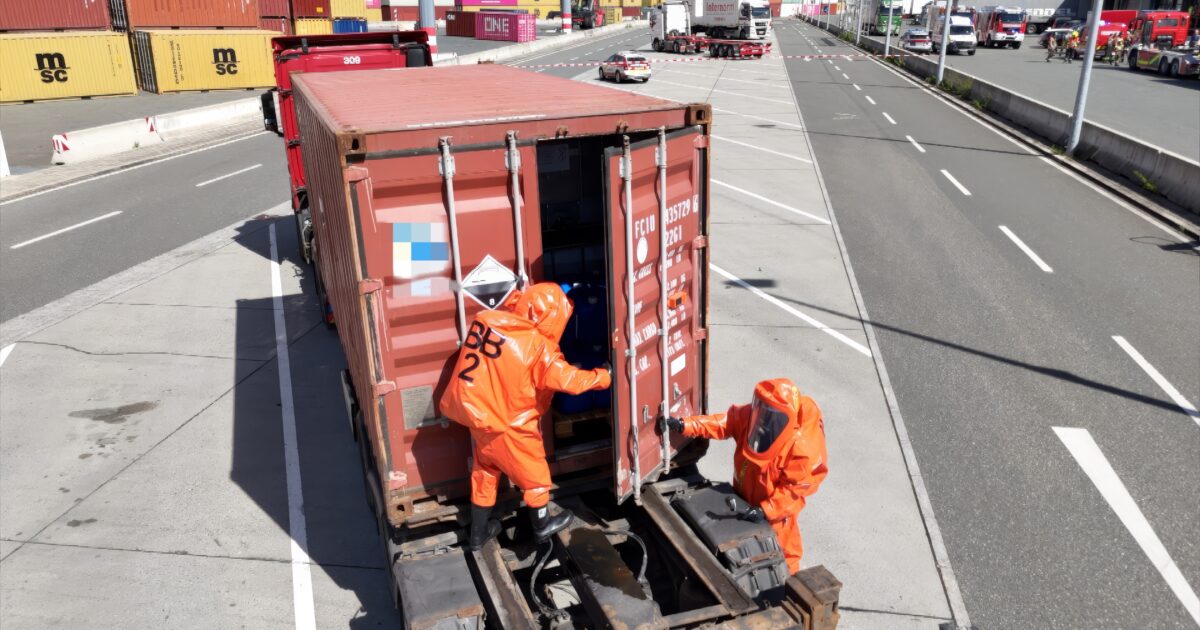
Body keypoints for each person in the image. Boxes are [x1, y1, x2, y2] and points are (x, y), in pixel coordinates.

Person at [440, 283, 612, 551]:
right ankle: (542, 526)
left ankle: (478, 533)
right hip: (511, 425)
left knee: (485, 471)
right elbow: (571, 381)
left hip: (479, 418)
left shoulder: (486, 321)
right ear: (553, 315)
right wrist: (604, 375)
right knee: (535, 475)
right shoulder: (539, 348)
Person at [660, 378, 828, 574]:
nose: (764, 417)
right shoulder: (759, 415)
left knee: (784, 553)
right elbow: (724, 423)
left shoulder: (802, 449)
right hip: (745, 498)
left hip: (775, 515)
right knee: (746, 546)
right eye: (762, 409)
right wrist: (685, 425)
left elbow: (793, 492)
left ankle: (787, 586)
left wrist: (765, 510)